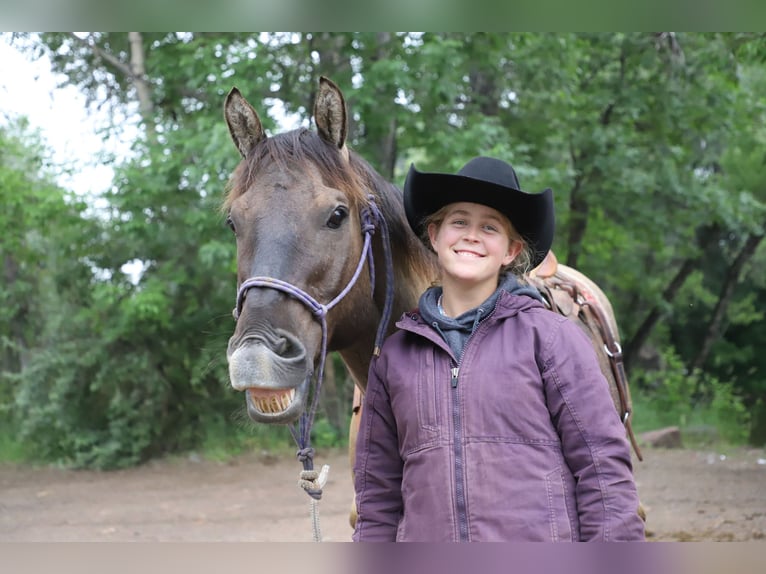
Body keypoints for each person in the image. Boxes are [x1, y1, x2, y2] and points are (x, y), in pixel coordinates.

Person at [352, 156, 645, 542]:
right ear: (434, 236)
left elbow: (603, 471)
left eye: (489, 227)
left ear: (511, 251)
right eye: (459, 222)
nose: (472, 235)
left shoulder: (552, 339)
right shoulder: (394, 358)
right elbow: (378, 501)